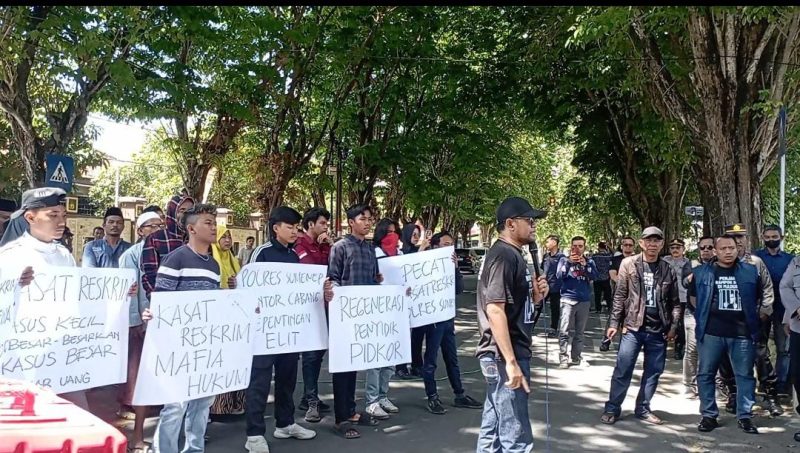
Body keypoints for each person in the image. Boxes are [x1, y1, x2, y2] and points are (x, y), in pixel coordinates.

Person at [143, 204, 221, 453]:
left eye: (214, 222)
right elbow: (162, 299)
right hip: (177, 345)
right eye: (207, 222)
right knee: (176, 405)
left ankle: (194, 448)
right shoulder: (175, 258)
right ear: (191, 228)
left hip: (204, 344)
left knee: (202, 402)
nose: (214, 226)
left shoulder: (214, 265)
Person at [0, 188, 88, 409]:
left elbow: (80, 297)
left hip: (62, 354)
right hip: (23, 360)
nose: (61, 221)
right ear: (30, 217)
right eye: (53, 215)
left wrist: (121, 294)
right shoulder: (11, 255)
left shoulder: (64, 255)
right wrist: (13, 284)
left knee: (76, 415)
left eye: (63, 215)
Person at [476, 196, 548, 453]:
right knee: (515, 435)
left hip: (507, 353)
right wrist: (511, 361)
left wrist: (537, 297)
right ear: (510, 224)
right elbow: (495, 309)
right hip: (503, 354)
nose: (534, 225)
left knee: (494, 428)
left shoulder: (515, 255)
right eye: (529, 220)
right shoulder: (504, 256)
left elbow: (516, 306)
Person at [244, 206, 317, 453]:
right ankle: (253, 434)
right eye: (290, 227)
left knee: (287, 379)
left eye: (297, 227)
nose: (295, 231)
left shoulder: (294, 256)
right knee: (259, 382)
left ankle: (285, 424)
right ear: (276, 228)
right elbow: (248, 290)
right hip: (263, 332)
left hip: (288, 331)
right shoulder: (261, 253)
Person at [601, 226, 680, 426]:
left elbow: (675, 302)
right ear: (641, 243)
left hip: (658, 329)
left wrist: (673, 326)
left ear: (662, 244)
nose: (652, 244)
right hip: (633, 328)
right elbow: (620, 295)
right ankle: (612, 408)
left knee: (654, 371)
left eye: (657, 241)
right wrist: (613, 323)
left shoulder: (667, 269)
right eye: (649, 240)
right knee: (623, 369)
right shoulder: (629, 264)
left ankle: (643, 408)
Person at [689, 235, 765, 435]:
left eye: (731, 247)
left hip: (741, 334)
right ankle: (708, 415)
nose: (728, 251)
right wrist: (702, 317)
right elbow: (692, 298)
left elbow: (756, 298)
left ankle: (745, 416)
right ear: (715, 251)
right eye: (723, 248)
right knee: (705, 374)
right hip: (711, 332)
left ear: (737, 249)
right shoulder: (701, 272)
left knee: (745, 376)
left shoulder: (750, 272)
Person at [327, 204, 384, 439]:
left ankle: (351, 411)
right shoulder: (340, 248)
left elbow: (374, 279)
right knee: (343, 367)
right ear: (351, 222)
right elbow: (333, 279)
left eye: (370, 219)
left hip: (364, 317)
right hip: (344, 317)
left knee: (355, 365)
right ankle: (341, 418)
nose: (368, 223)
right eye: (363, 219)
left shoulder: (370, 249)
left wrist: (378, 281)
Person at [716, 223, 778, 416]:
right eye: (733, 238)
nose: (738, 241)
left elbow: (767, 289)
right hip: (729, 321)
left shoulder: (756, 262)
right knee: (727, 357)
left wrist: (764, 312)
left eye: (741, 237)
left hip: (755, 320)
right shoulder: (721, 262)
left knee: (761, 356)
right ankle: (733, 393)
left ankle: (770, 394)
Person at [419, 231, 483, 414]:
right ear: (436, 246)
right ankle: (432, 396)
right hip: (433, 318)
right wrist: (422, 250)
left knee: (451, 358)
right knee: (430, 360)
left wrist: (455, 268)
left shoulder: (450, 264)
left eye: (451, 244)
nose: (450, 248)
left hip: (447, 318)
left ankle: (459, 394)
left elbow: (459, 289)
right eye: (445, 244)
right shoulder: (427, 263)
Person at [118, 210, 165, 452]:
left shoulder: (167, 252)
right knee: (139, 379)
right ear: (140, 230)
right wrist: (136, 322)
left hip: (164, 324)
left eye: (160, 224)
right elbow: (130, 292)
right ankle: (136, 436)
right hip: (141, 325)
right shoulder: (130, 255)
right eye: (151, 225)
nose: (157, 229)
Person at [294, 207, 334, 422]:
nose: (325, 227)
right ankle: (311, 401)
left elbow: (335, 268)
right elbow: (309, 270)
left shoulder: (326, 246)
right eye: (322, 223)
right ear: (310, 224)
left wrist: (331, 246)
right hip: (307, 310)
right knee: (310, 355)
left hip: (324, 308)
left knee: (318, 354)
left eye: (326, 224)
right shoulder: (300, 246)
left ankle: (310, 395)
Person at [365, 218, 403, 420]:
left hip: (395, 313)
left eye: (395, 232)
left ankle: (383, 395)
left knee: (390, 360)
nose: (393, 236)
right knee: (376, 359)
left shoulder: (401, 255)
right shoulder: (374, 254)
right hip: (376, 313)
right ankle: (372, 400)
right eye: (389, 232)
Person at [754, 224, 794, 396]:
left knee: (783, 349)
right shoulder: (755, 257)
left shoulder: (790, 259)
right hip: (760, 308)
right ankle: (765, 382)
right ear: (763, 237)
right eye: (768, 237)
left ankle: (782, 384)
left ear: (782, 237)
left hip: (783, 309)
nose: (771, 240)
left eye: (774, 236)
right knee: (760, 348)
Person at [210, 224, 245, 417]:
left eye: (229, 237)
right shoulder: (211, 260)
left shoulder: (232, 260)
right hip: (217, 317)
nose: (227, 241)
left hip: (234, 315)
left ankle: (236, 403)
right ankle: (219, 406)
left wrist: (236, 286)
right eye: (223, 237)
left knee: (235, 359)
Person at [679, 236, 715, 399]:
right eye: (703, 248)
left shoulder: (720, 265)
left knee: (715, 351)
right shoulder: (692, 265)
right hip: (693, 313)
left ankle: (717, 385)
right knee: (692, 349)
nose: (706, 250)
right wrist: (696, 273)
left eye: (710, 247)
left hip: (715, 315)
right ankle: (689, 385)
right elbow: (685, 283)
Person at [140, 194, 194, 299]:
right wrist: (160, 301)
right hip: (166, 304)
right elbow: (150, 275)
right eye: (182, 210)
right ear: (172, 212)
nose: (186, 215)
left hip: (194, 304)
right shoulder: (155, 239)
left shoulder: (198, 239)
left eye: (191, 211)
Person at [555, 236, 598, 368]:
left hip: (584, 300)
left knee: (580, 332)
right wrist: (569, 262)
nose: (577, 249)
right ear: (570, 247)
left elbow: (595, 277)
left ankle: (576, 356)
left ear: (584, 247)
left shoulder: (590, 261)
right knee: (564, 330)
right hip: (568, 299)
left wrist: (586, 266)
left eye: (580, 246)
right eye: (575, 246)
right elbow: (559, 276)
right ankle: (563, 357)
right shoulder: (563, 260)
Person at [395, 222, 431, 379]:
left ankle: (417, 364)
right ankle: (400, 367)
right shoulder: (400, 253)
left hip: (418, 299)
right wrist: (421, 250)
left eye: (418, 235)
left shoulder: (421, 251)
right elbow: (408, 267)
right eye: (413, 234)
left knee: (418, 333)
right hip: (403, 300)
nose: (416, 238)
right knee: (402, 333)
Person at [600, 236, 637, 352]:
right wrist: (625, 283)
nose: (628, 247)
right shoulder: (616, 260)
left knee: (631, 320)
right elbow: (613, 275)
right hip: (619, 294)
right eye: (625, 245)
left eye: (630, 245)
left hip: (635, 296)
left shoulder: (638, 260)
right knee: (613, 318)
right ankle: (606, 341)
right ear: (622, 246)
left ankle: (627, 344)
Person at [778, 252, 800, 442]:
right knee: (797, 374)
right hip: (798, 327)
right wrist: (792, 312)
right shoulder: (797, 261)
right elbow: (785, 286)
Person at [663, 238, 690, 361]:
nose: (675, 250)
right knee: (665, 322)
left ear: (683, 249)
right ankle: (661, 348)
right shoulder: (664, 261)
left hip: (683, 297)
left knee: (681, 325)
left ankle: (679, 347)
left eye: (678, 248)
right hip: (667, 298)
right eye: (672, 248)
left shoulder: (689, 263)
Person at [541, 235, 565, 338]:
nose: (546, 244)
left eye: (548, 242)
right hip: (545, 285)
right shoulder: (546, 256)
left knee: (554, 308)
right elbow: (542, 270)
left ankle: (553, 328)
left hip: (556, 286)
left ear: (554, 243)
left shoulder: (562, 257)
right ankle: (530, 326)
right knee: (538, 306)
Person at [592, 241, 613, 314]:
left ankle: (598, 309)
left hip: (597, 278)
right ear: (605, 247)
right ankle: (609, 308)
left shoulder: (594, 256)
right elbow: (615, 255)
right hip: (606, 278)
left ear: (598, 247)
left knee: (597, 295)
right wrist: (609, 247)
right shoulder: (608, 256)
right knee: (608, 295)